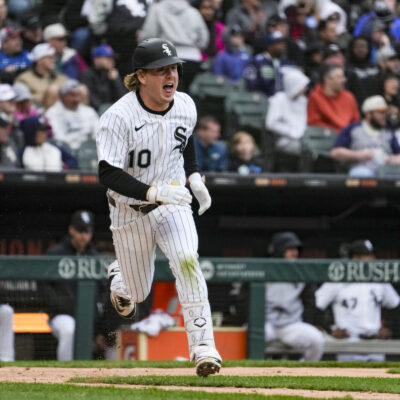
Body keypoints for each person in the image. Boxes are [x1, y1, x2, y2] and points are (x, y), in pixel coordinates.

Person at [96, 37, 222, 377]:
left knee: (187, 261)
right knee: (136, 293)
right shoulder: (118, 117)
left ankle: (203, 347)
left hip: (173, 203)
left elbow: (186, 139)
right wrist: (153, 193)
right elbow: (107, 173)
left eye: (174, 68)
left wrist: (194, 176)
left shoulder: (184, 104)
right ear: (141, 76)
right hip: (129, 210)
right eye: (161, 70)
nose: (171, 76)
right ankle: (120, 279)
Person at [315, 239, 400, 361]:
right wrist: (330, 330)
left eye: (372, 255)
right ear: (355, 258)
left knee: (379, 379)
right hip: (348, 342)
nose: (371, 259)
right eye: (367, 255)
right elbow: (315, 306)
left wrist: (390, 329)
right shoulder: (338, 279)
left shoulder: (379, 280)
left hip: (375, 342)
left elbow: (395, 305)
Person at [45, 210, 98, 361]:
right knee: (69, 327)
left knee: (111, 336)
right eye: (80, 230)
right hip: (61, 315)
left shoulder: (94, 256)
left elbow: (103, 290)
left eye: (87, 231)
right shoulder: (56, 253)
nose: (84, 235)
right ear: (71, 230)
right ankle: (65, 370)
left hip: (89, 317)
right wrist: (65, 305)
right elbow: (44, 287)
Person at [265, 232, 324, 361]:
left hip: (291, 325)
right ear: (279, 250)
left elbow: (309, 302)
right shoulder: (264, 269)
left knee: (317, 340)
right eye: (290, 249)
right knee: (248, 337)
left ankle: (305, 371)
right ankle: (251, 371)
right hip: (266, 323)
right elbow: (245, 300)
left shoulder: (301, 272)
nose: (295, 253)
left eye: (296, 249)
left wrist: (308, 323)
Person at [138, 0, 209, 92]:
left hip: (167, 58)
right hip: (192, 58)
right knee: (185, 94)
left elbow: (149, 35)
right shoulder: (193, 11)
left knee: (169, 95)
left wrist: (140, 37)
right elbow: (204, 39)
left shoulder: (157, 9)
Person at [331, 95, 400, 177]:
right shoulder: (353, 129)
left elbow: (398, 155)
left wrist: (390, 159)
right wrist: (359, 154)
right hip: (362, 168)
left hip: (386, 170)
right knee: (363, 175)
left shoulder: (388, 132)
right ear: (368, 114)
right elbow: (336, 152)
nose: (384, 115)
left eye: (385, 112)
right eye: (380, 112)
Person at [45, 79, 99, 152]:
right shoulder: (52, 113)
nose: (76, 100)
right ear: (63, 96)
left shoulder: (89, 111)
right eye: (72, 95)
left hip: (87, 151)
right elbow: (57, 139)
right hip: (65, 152)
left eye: (78, 95)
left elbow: (97, 134)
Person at [266, 67, 310, 156]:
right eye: (301, 86)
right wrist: (292, 132)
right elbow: (271, 124)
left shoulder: (304, 101)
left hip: (304, 138)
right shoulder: (278, 99)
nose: (304, 89)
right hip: (285, 139)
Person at [307, 64, 360, 132]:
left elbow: (356, 120)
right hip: (326, 137)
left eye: (343, 77)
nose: (343, 80)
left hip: (347, 137)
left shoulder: (349, 97)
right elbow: (313, 122)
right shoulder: (315, 97)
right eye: (339, 77)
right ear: (327, 79)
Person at [15, 43, 68, 108]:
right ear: (39, 60)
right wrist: (50, 95)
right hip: (38, 113)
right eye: (50, 57)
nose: (53, 60)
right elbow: (23, 102)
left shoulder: (61, 78)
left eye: (54, 57)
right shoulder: (24, 79)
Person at [79, 44, 126, 113]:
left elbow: (123, 99)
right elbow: (92, 100)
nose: (111, 61)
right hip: (95, 113)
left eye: (112, 58)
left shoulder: (113, 75)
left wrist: (116, 80)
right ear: (96, 60)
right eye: (107, 58)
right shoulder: (87, 75)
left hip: (113, 111)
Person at [244, 31, 291, 96]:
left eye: (283, 43)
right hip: (264, 101)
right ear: (270, 46)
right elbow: (251, 85)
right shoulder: (257, 62)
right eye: (278, 43)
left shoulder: (287, 62)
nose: (282, 46)